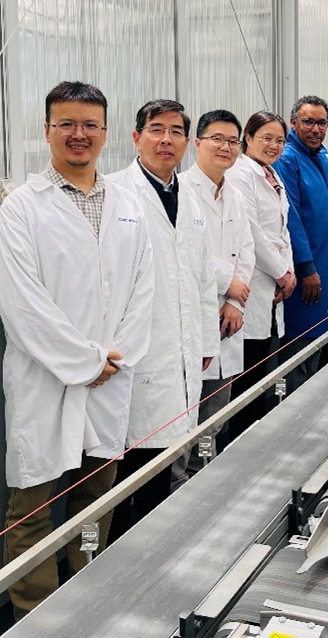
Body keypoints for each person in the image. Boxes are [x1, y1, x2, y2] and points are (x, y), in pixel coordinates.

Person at [0, 81, 155, 620]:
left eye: (89, 125)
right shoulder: (22, 208)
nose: (78, 134)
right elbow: (22, 302)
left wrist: (116, 357)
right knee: (31, 510)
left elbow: (143, 288)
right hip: (46, 379)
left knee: (95, 501)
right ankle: (35, 618)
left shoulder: (128, 205)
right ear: (47, 131)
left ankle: (88, 604)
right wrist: (86, 363)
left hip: (110, 377)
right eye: (66, 124)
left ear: (106, 132)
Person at [105, 100, 219, 541]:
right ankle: (121, 553)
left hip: (182, 352)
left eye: (175, 131)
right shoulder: (115, 193)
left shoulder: (189, 197)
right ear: (136, 137)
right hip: (134, 356)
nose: (166, 139)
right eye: (156, 129)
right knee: (126, 470)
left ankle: (153, 548)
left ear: (187, 142)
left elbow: (202, 276)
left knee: (164, 462)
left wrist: (206, 341)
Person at [179, 110, 255, 471]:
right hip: (195, 319)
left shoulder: (235, 195)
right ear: (197, 143)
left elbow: (246, 248)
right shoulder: (181, 191)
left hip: (229, 320)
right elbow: (187, 251)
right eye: (217, 139)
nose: (225, 147)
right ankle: (178, 490)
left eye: (232, 141)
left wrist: (236, 302)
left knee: (215, 421)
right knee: (184, 424)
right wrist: (229, 284)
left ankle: (201, 481)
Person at [226, 111, 295, 442]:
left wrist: (287, 271)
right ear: (248, 138)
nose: (273, 145)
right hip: (252, 283)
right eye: (266, 138)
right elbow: (253, 232)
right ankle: (240, 441)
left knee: (261, 367)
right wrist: (282, 273)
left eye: (279, 140)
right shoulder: (240, 175)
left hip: (273, 284)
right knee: (247, 374)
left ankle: (254, 436)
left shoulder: (271, 174)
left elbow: (282, 230)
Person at [274, 95, 328, 384]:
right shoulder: (288, 159)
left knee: (323, 343)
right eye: (308, 122)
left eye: (322, 123)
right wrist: (306, 268)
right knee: (302, 347)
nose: (316, 129)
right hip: (308, 273)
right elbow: (291, 218)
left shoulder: (321, 157)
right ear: (293, 123)